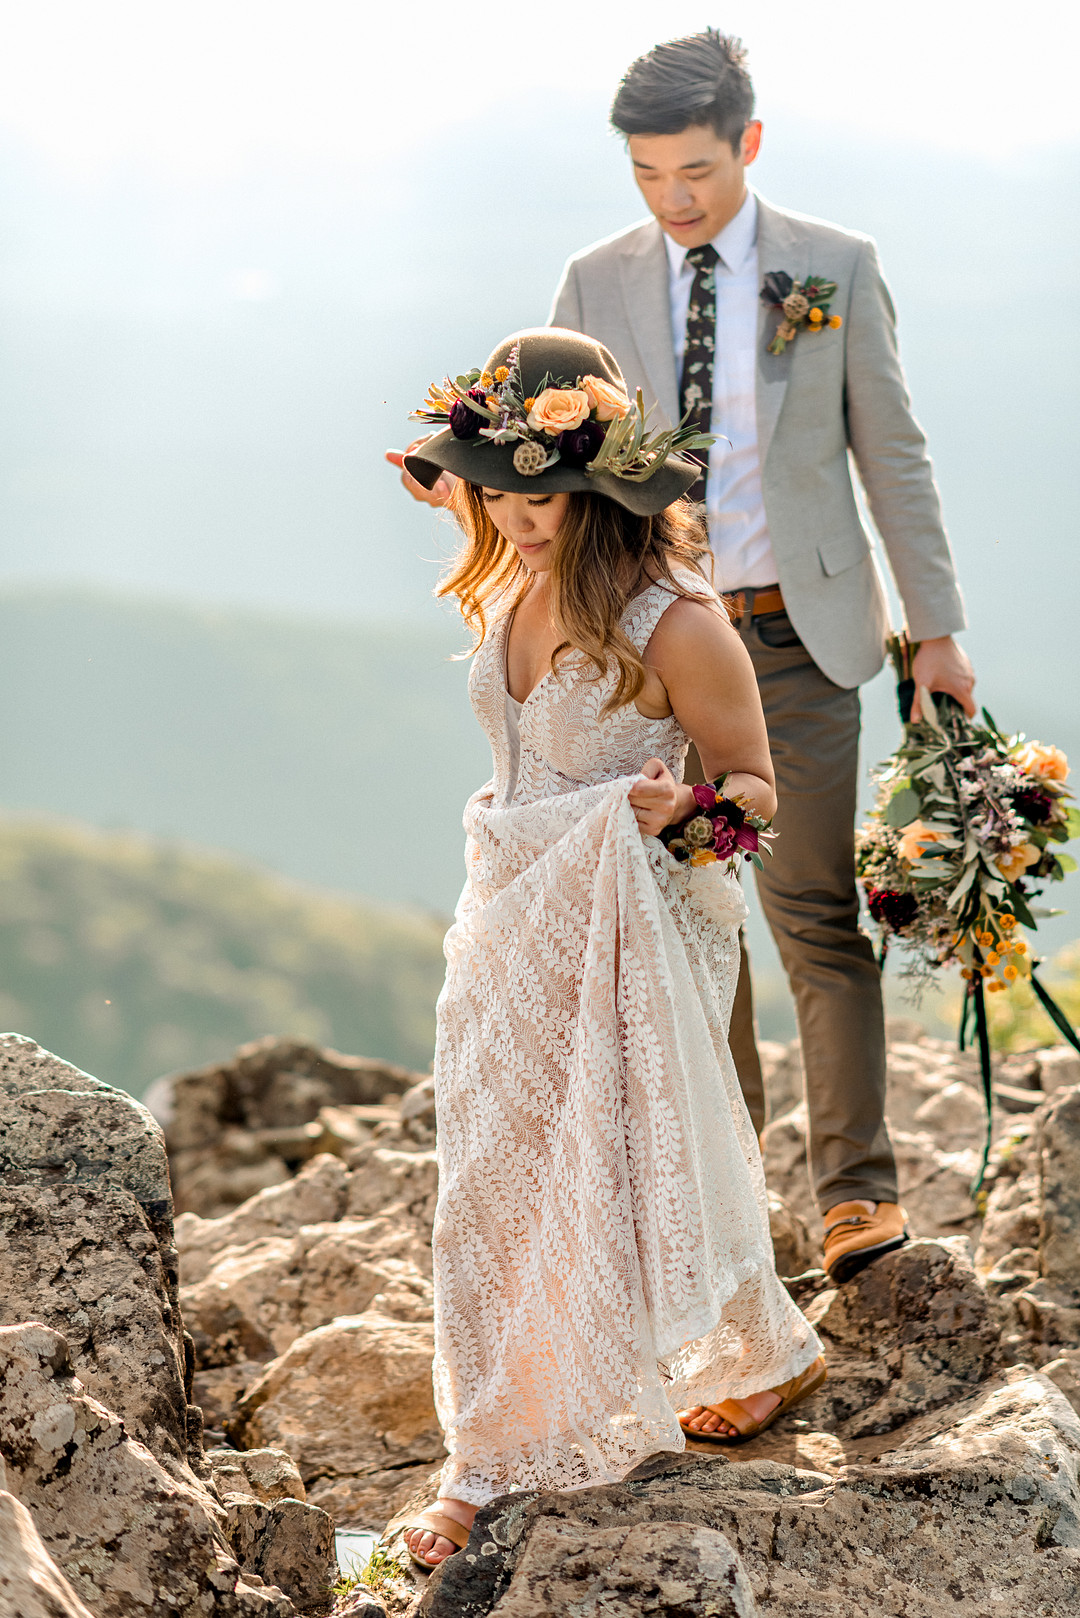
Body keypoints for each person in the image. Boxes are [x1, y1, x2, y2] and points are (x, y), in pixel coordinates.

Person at [387, 29, 976, 1307]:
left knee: (810, 907)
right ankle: (721, 1208)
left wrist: (935, 627)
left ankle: (856, 1194)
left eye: (697, 171)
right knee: (684, 923)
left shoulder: (834, 267)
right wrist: (456, 486)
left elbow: (895, 451)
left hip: (800, 626)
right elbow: (535, 457)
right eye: (651, 175)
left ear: (747, 146)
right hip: (643, 635)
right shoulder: (593, 282)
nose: (675, 198)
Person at [392, 327, 824, 1569]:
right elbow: (485, 513)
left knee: (617, 1160)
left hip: (635, 911)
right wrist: (449, 483)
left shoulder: (677, 622)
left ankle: (486, 1459)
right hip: (509, 902)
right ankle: (738, 1354)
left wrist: (684, 809)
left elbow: (758, 794)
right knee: (489, 1163)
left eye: (543, 494)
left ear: (597, 486)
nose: (519, 518)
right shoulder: (510, 572)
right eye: (497, 490)